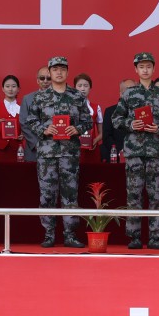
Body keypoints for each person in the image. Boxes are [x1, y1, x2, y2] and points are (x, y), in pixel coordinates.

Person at [23, 55, 92, 248]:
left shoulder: (77, 96)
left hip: (69, 153)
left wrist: (77, 129)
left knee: (70, 195)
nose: (59, 72)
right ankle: (49, 234)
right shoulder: (40, 97)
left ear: (67, 72)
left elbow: (87, 120)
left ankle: (70, 234)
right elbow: (30, 120)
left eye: (62, 69)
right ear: (50, 72)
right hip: (47, 153)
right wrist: (43, 129)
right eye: (55, 69)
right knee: (47, 195)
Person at [114, 52, 159, 249]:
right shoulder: (129, 93)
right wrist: (131, 124)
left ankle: (155, 237)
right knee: (134, 195)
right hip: (134, 151)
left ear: (154, 68)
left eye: (149, 66)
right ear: (136, 69)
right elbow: (116, 119)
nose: (145, 70)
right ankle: (134, 237)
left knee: (156, 195)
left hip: (155, 151)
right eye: (141, 67)